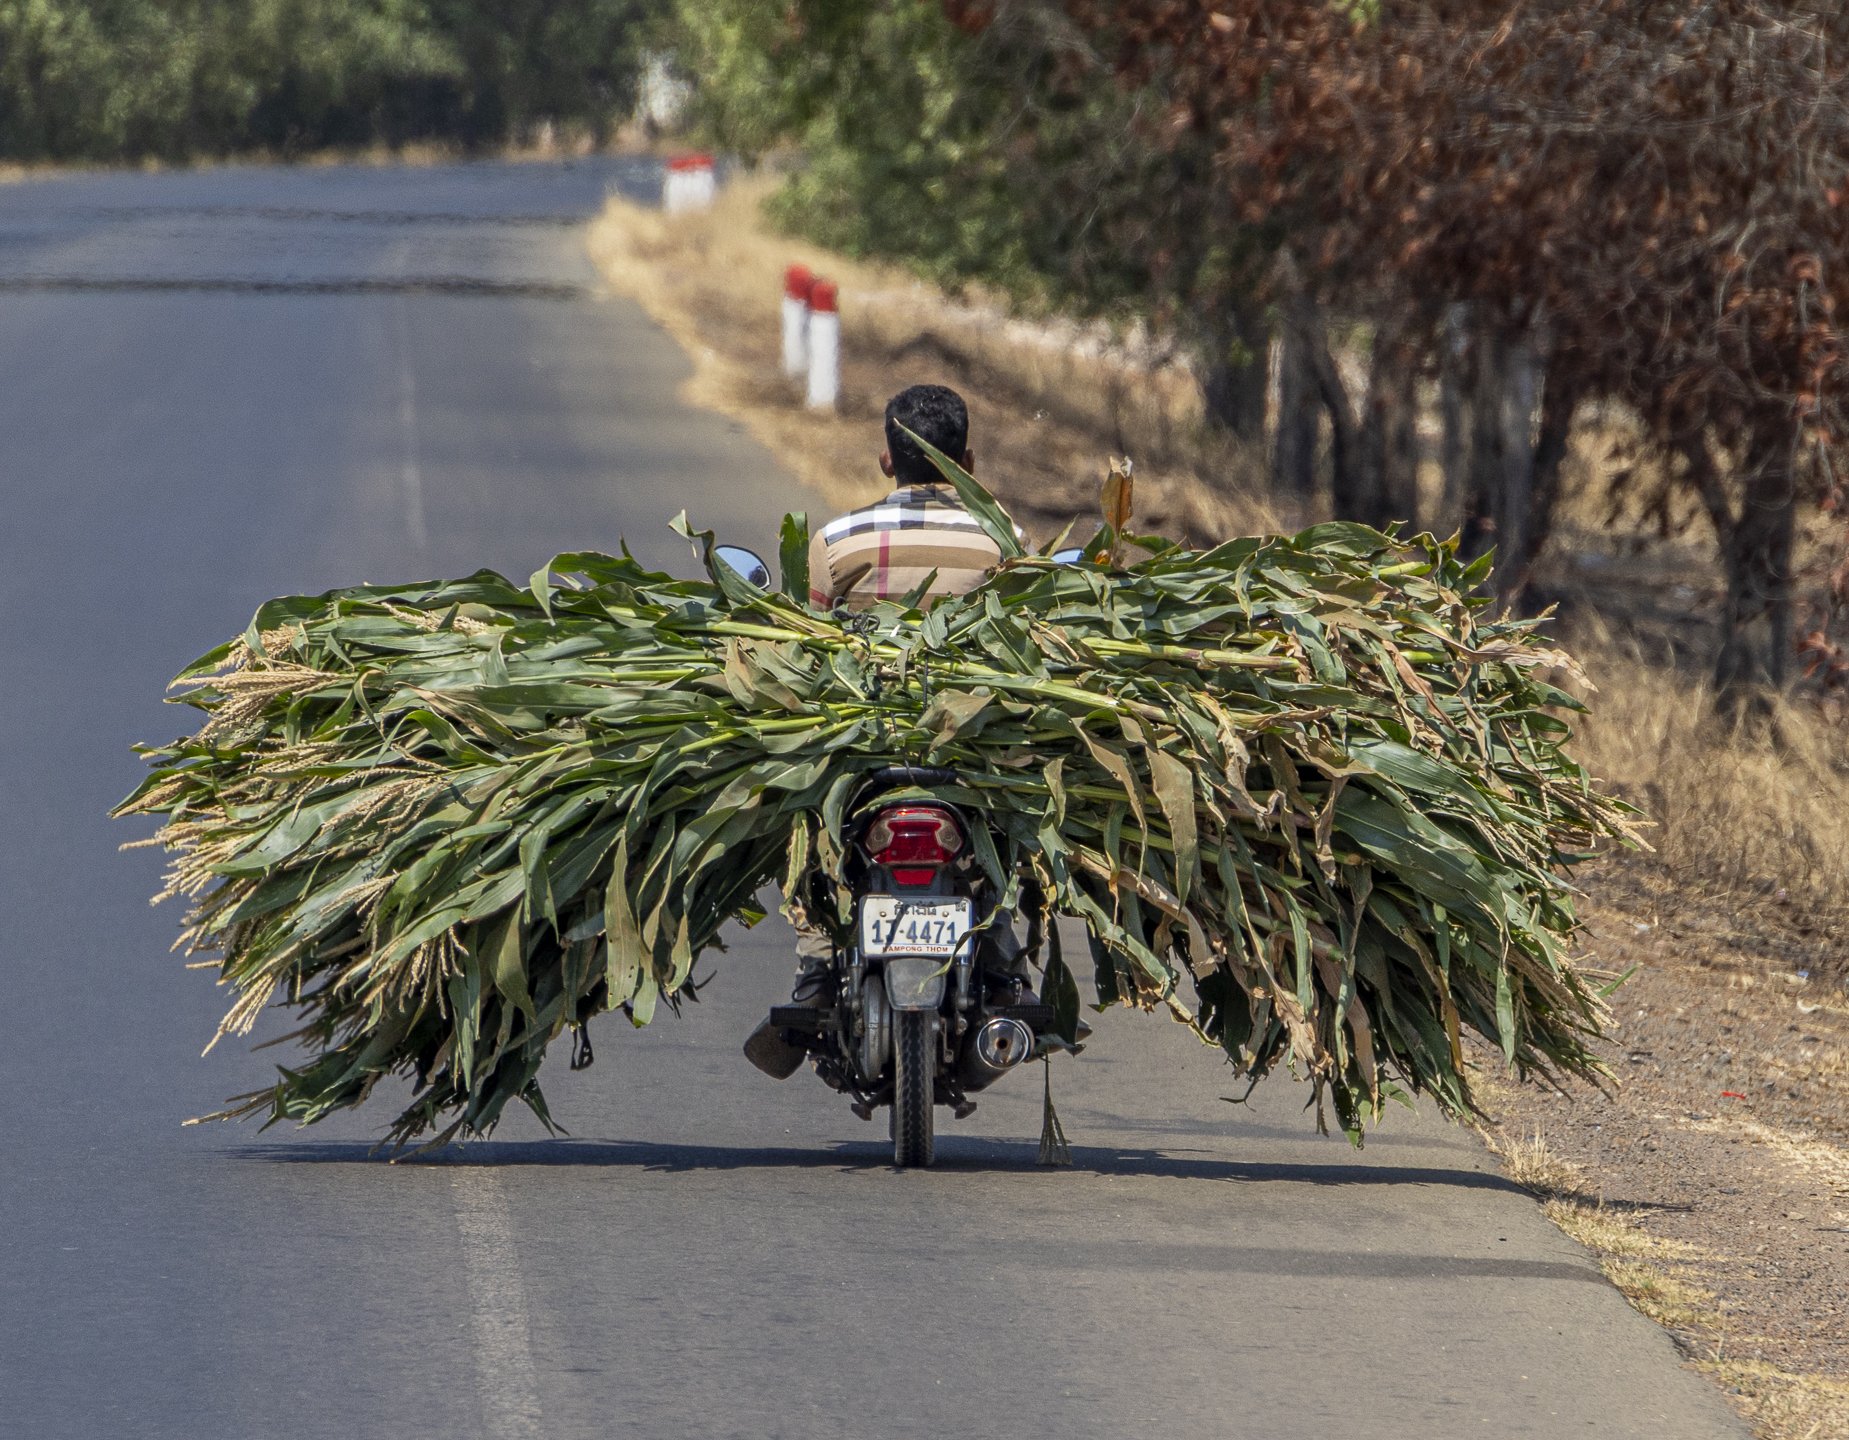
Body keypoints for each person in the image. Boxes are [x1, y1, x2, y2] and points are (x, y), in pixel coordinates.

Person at [744, 384, 1032, 1079]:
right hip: (968, 754)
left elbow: (805, 649)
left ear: (885, 460)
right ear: (967, 459)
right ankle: (1000, 953)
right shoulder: (1009, 546)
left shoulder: (837, 543)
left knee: (808, 836)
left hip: (862, 752)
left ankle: (815, 964)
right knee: (1009, 834)